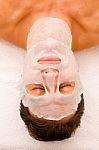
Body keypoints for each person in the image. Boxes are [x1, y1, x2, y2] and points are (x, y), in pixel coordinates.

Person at [0, 0, 99, 141]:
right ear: (78, 78)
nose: (51, 75)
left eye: (38, 88)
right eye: (65, 86)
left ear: (21, 80)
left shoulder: (3, 18)